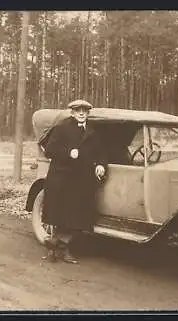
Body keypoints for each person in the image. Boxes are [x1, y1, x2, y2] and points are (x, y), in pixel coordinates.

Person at [41, 99, 107, 263]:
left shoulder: (92, 132)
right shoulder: (61, 128)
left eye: (85, 110)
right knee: (61, 216)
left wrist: (100, 165)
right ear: (72, 112)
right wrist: (68, 153)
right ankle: (58, 249)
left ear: (88, 113)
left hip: (81, 182)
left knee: (76, 218)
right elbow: (49, 151)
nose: (81, 113)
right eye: (78, 110)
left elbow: (100, 153)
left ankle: (55, 245)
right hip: (62, 179)